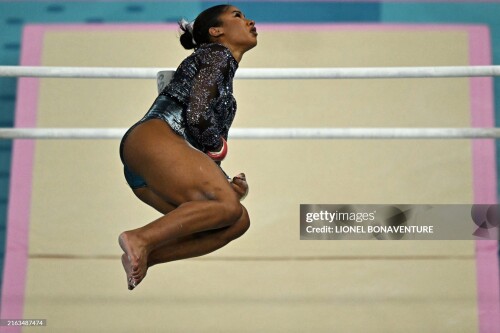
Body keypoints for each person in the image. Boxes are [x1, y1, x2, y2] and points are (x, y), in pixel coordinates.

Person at [118, 4, 257, 290]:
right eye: (238, 16)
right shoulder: (217, 55)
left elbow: (198, 156)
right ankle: (140, 238)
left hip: (150, 164)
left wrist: (225, 181)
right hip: (155, 138)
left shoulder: (224, 83)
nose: (249, 20)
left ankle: (147, 255)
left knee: (236, 220)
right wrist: (218, 147)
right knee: (226, 206)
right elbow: (196, 116)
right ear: (215, 31)